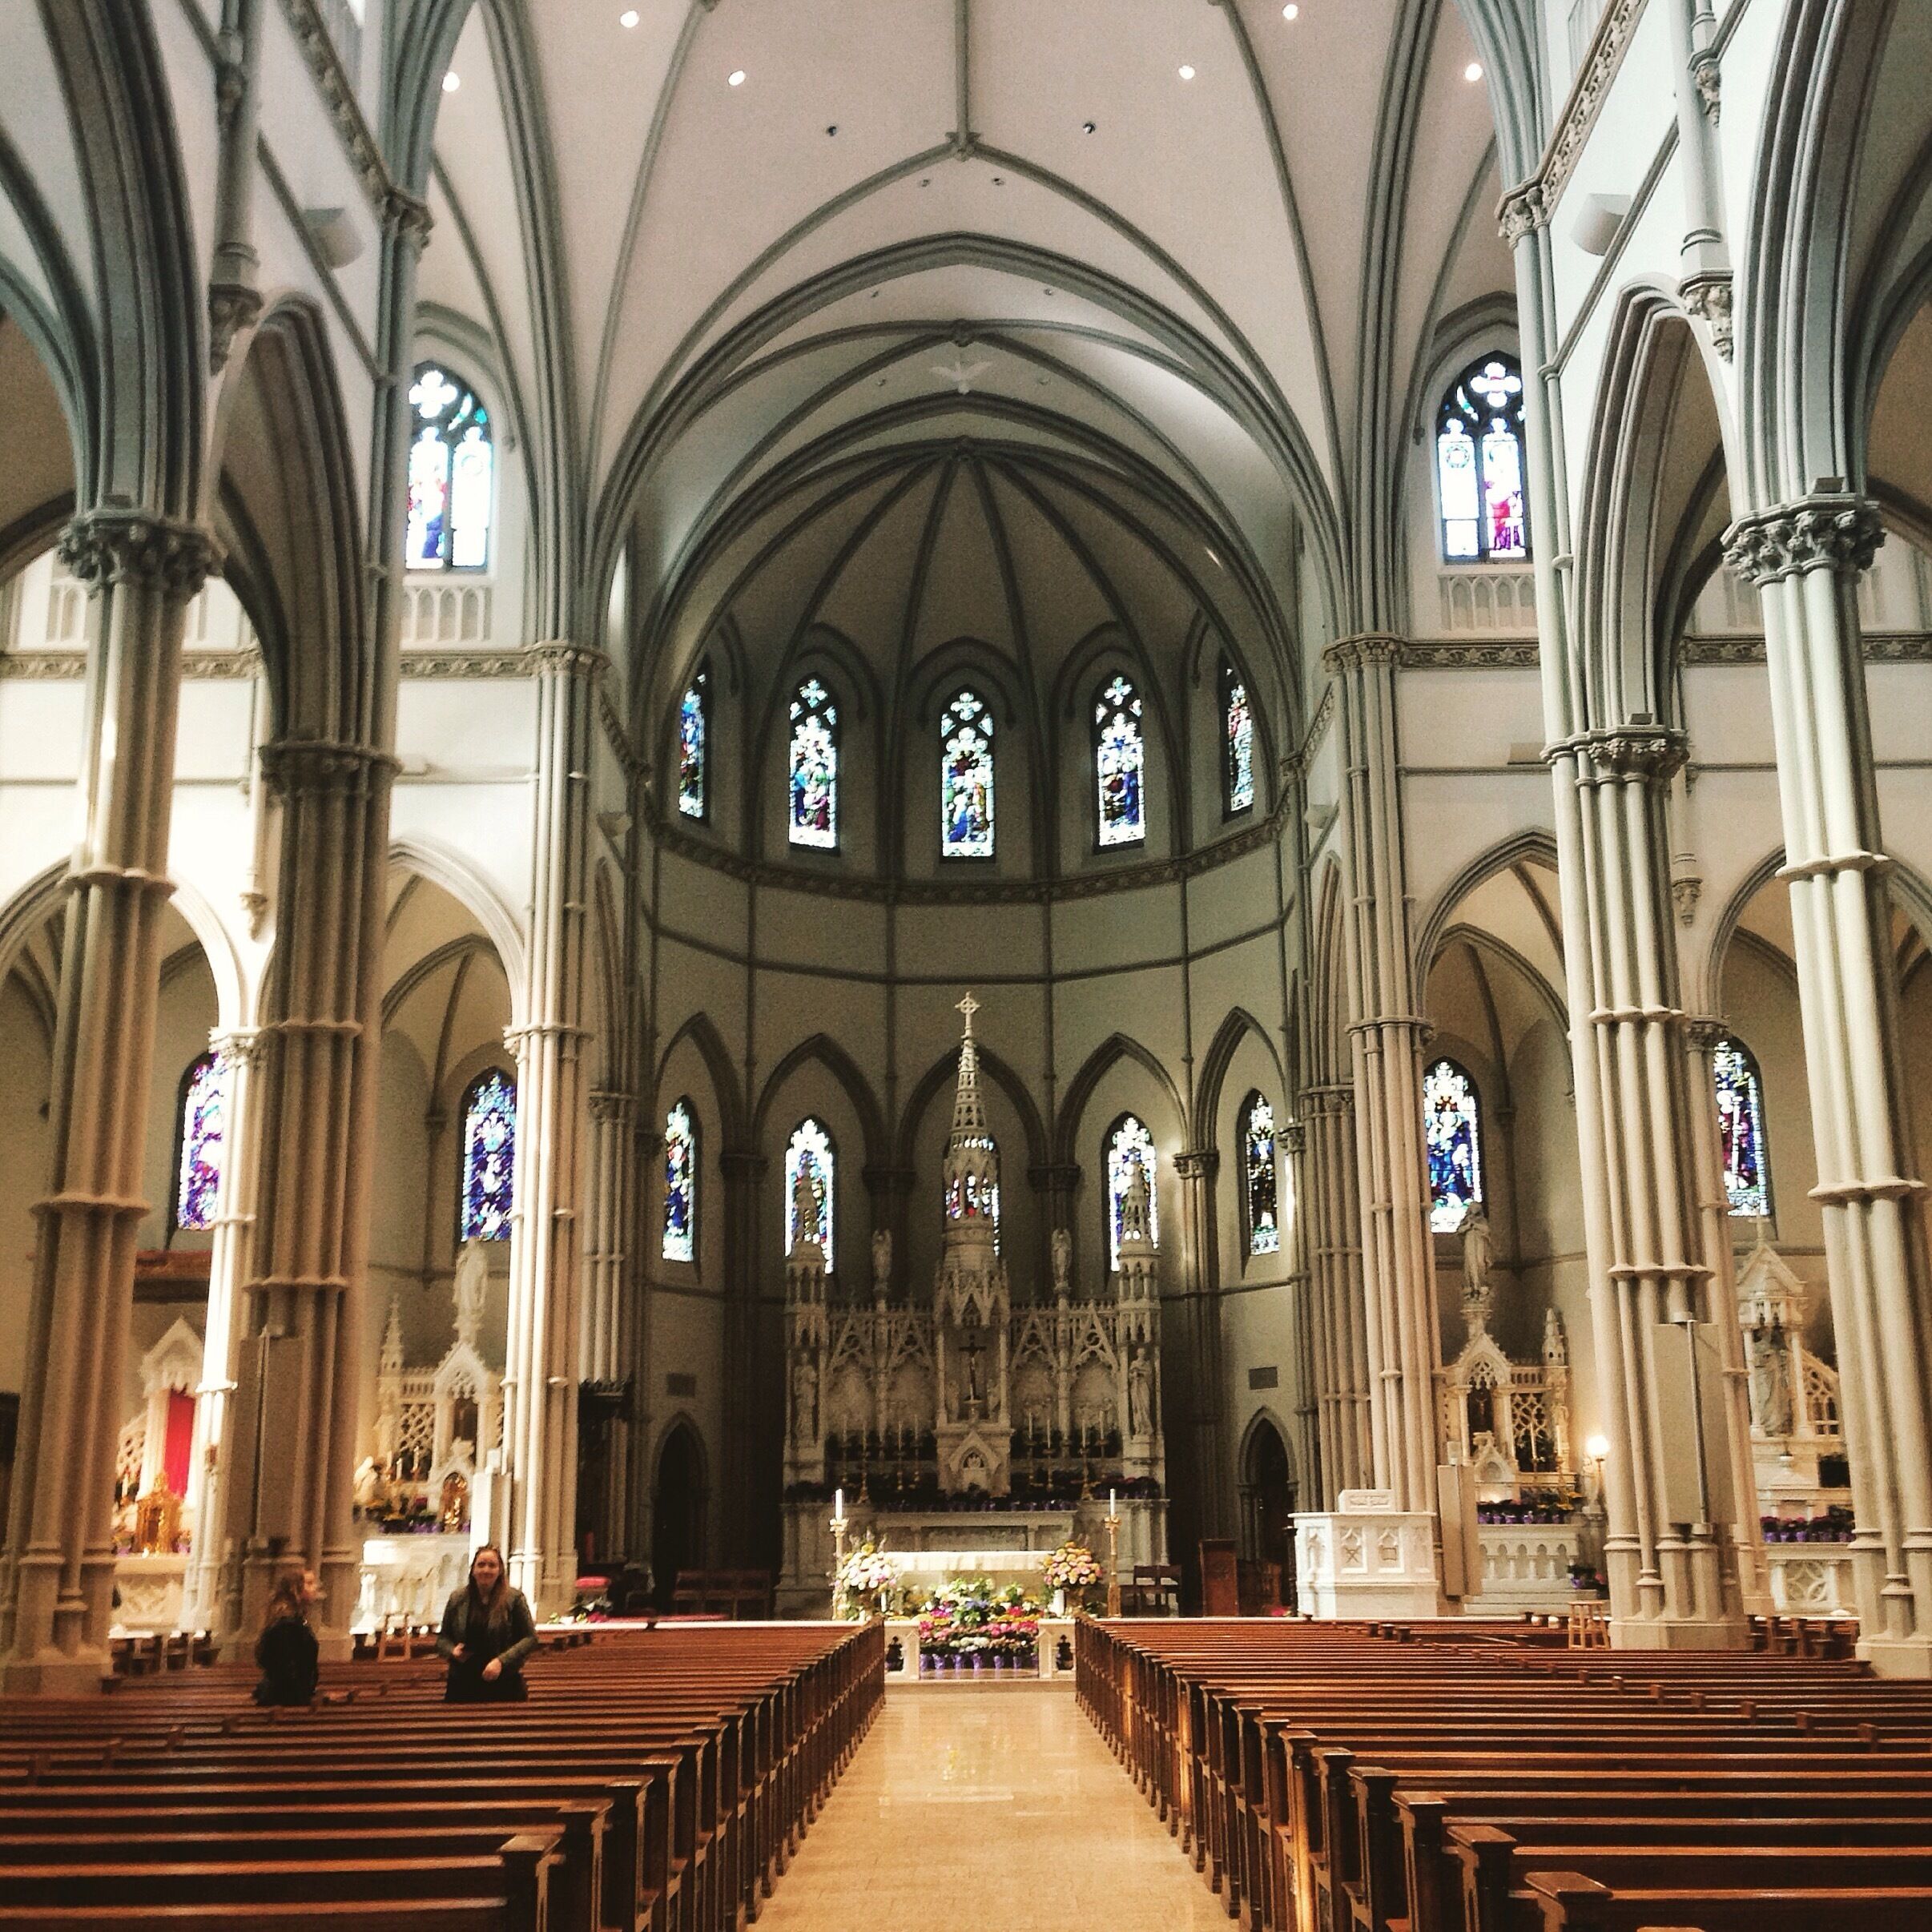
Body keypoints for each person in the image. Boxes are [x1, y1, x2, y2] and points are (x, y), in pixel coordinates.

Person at [437, 1544, 537, 1702]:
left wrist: (500, 1662)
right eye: (481, 1564)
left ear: (500, 1570)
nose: (486, 1570)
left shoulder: (514, 1598)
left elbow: (530, 1638)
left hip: (504, 1682)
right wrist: (453, 1651)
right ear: (473, 1569)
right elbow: (442, 1638)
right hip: (463, 1684)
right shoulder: (457, 1599)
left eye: (492, 1565)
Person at [253, 1566, 320, 1706]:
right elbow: (284, 1668)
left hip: (291, 1696)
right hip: (285, 1701)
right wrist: (304, 1697)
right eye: (309, 1584)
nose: (315, 1588)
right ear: (294, 1589)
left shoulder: (296, 1620)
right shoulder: (286, 1625)